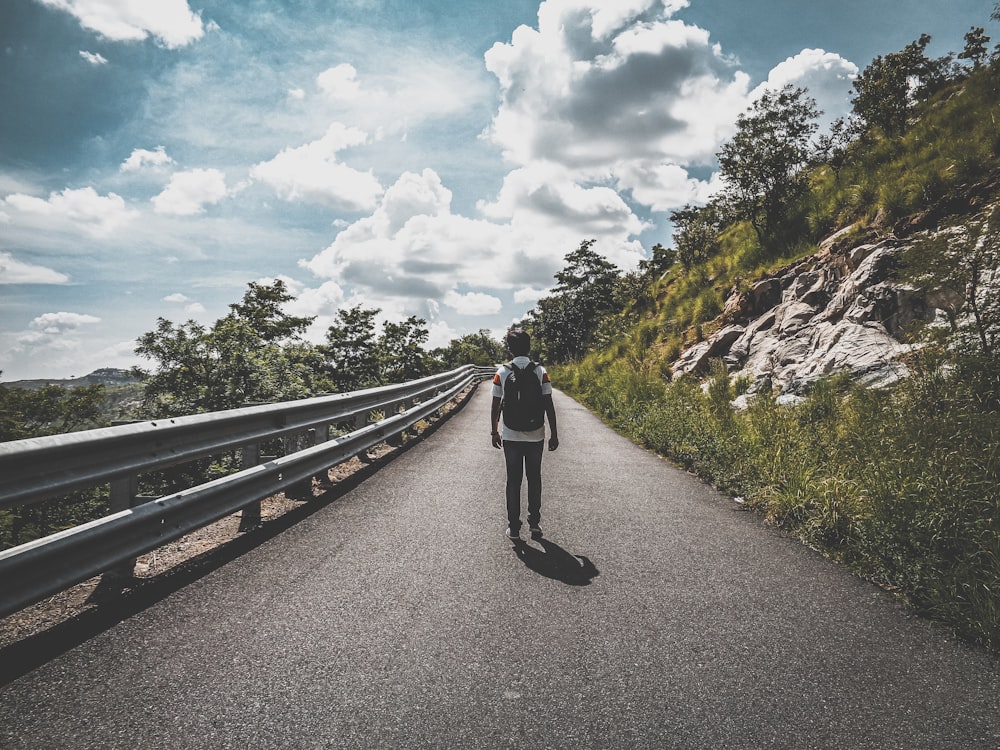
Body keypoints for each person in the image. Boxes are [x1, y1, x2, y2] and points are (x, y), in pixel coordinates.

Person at [490, 328, 559, 539]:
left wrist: (494, 431)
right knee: (534, 478)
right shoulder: (540, 371)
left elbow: (495, 405)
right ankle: (535, 523)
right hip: (536, 434)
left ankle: (514, 527)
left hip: (511, 435)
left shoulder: (502, 372)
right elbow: (548, 404)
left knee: (513, 481)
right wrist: (554, 434)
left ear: (509, 349)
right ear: (529, 347)